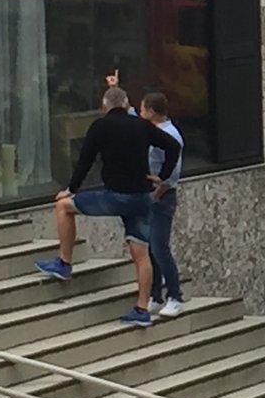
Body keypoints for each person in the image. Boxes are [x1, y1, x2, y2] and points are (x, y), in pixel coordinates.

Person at [34, 79, 181, 327]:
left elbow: (85, 161)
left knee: (64, 207)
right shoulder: (142, 126)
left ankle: (64, 263)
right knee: (141, 253)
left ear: (104, 107)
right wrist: (162, 176)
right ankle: (142, 309)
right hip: (143, 198)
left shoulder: (101, 126)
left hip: (116, 196)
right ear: (126, 105)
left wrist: (70, 189)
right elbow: (173, 146)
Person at [140, 91, 186, 319]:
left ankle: (175, 296)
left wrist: (156, 194)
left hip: (162, 196)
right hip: (151, 194)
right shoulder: (152, 130)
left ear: (151, 112)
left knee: (159, 247)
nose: (140, 113)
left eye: (142, 109)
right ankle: (156, 296)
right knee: (150, 247)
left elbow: (172, 175)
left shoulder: (170, 136)